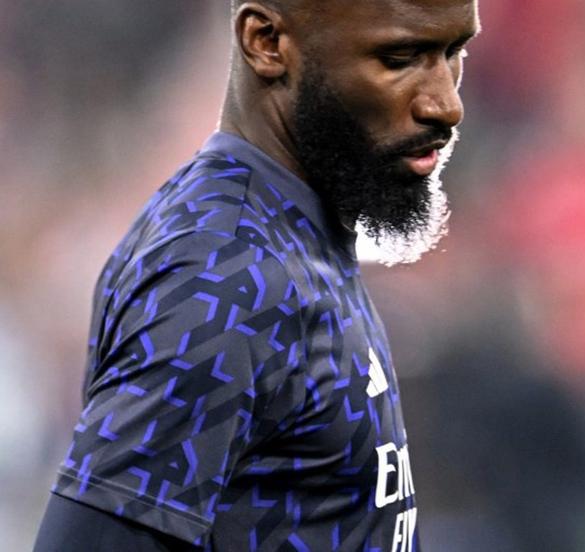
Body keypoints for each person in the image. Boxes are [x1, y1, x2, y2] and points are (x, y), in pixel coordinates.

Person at [34, 0, 479, 550]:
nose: (447, 104)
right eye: (399, 57)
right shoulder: (224, 275)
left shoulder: (289, 230)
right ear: (266, 42)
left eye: (454, 52)